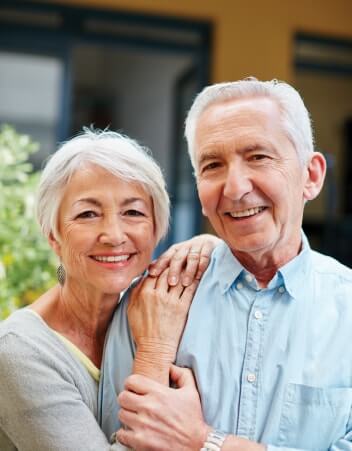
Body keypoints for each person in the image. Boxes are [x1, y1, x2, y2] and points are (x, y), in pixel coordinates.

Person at [100, 78, 352, 450]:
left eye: (258, 157)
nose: (234, 188)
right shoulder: (152, 302)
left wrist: (204, 442)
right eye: (212, 165)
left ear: (311, 176)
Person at [0, 128, 220, 451]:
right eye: (88, 214)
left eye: (133, 212)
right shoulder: (18, 353)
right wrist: (154, 350)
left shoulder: (153, 305)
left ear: (157, 229)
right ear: (53, 234)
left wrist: (210, 248)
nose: (114, 235)